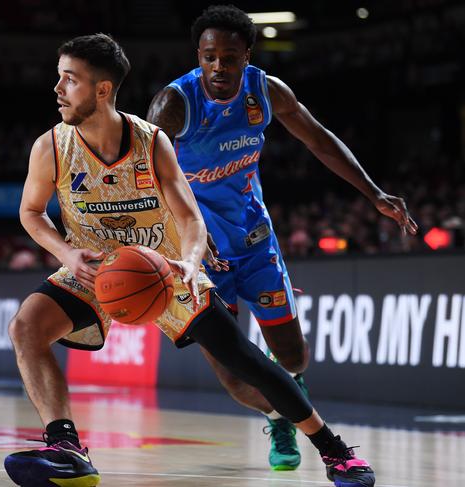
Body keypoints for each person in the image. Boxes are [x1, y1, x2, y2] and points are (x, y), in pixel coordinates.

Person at [4, 33, 374, 487]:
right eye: (59, 79)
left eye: (69, 80)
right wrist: (65, 253)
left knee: (246, 362)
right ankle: (65, 447)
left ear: (102, 90)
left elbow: (190, 218)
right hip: (91, 265)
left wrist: (192, 262)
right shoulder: (51, 147)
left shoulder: (151, 141)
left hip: (162, 268)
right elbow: (30, 212)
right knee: (25, 327)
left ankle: (336, 453)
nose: (57, 89)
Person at [147, 4, 418, 472]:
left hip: (254, 241)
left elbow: (318, 138)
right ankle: (279, 416)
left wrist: (372, 193)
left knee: (293, 354)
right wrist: (182, 235)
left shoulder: (266, 91)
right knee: (235, 379)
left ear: (246, 57)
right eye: (209, 57)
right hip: (200, 257)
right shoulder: (175, 104)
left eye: (229, 57)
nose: (218, 67)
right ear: (198, 55)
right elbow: (144, 176)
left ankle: (289, 391)